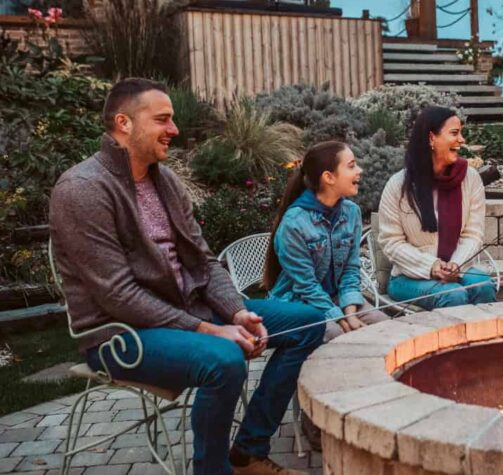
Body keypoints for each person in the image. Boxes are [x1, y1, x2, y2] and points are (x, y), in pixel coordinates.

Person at [49, 78, 324, 475]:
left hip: (188, 312)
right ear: (124, 123)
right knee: (224, 360)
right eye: (162, 119)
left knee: (309, 322)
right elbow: (118, 295)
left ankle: (247, 452)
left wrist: (235, 313)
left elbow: (205, 262)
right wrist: (209, 330)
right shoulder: (82, 189)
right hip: (121, 334)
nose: (174, 129)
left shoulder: (166, 182)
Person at [262, 140, 389, 342]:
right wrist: (340, 318)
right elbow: (306, 286)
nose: (360, 170)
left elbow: (350, 268)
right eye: (351, 166)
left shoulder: (351, 212)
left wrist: (350, 311)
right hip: (298, 302)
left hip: (338, 297)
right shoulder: (294, 224)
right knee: (337, 336)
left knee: (385, 327)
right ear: (329, 177)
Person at [377, 106, 496, 310]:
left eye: (461, 133)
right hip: (409, 277)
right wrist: (432, 266)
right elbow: (391, 242)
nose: (462, 140)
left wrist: (456, 264)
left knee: (483, 286)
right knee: (453, 295)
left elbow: (473, 234)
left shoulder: (470, 179)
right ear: (432, 138)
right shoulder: (398, 185)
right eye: (454, 133)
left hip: (458, 268)